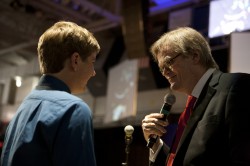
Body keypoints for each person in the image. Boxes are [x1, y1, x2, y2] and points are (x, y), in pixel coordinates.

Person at [141, 27, 250, 166]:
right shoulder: (191, 105)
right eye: (162, 68)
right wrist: (155, 143)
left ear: (195, 56)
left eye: (168, 62)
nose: (164, 72)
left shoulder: (236, 86)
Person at [0, 21, 100, 166]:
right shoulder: (74, 109)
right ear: (76, 60)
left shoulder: (21, 112)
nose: (93, 72)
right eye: (92, 62)